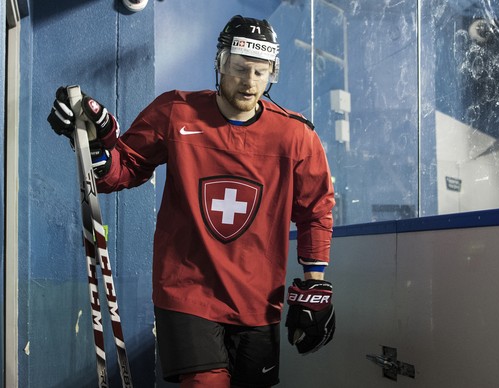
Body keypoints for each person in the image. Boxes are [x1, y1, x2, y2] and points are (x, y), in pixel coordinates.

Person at [48, 15, 336, 388]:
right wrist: (93, 143)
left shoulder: (296, 136)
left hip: (258, 299)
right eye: (240, 68)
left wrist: (314, 285)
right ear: (220, 63)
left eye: (261, 72)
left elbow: (316, 210)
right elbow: (122, 170)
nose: (249, 82)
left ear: (272, 73)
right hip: (187, 292)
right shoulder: (175, 112)